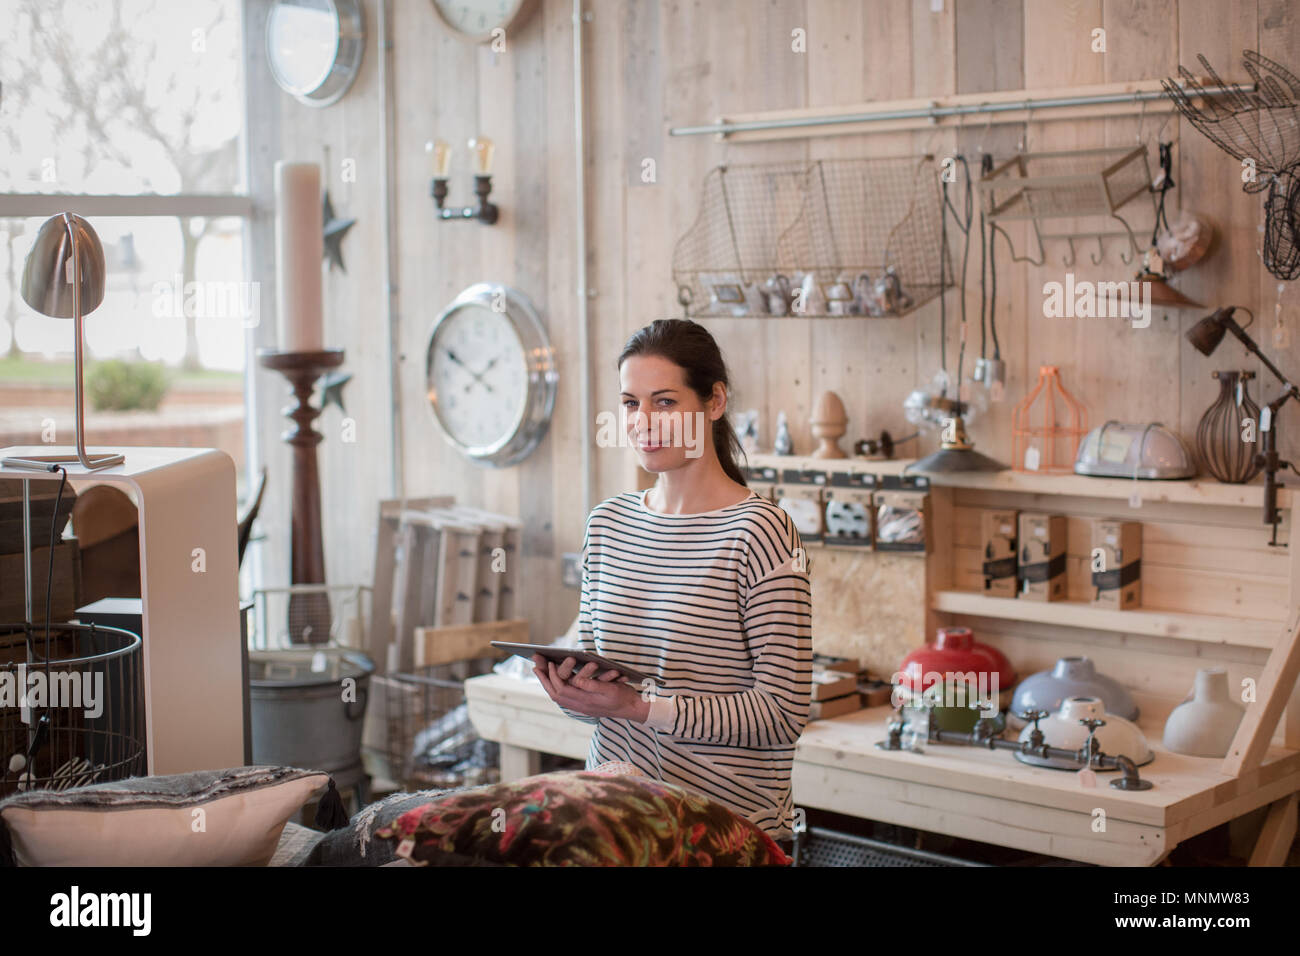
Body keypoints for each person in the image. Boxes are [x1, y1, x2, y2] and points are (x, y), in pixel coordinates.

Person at [533, 318, 813, 858]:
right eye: (631, 403)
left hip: (726, 837)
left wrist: (642, 707)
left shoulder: (761, 531)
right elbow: (603, 690)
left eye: (664, 402)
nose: (643, 422)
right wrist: (573, 693)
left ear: (714, 402)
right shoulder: (607, 524)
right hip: (618, 825)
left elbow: (781, 715)